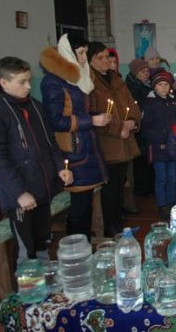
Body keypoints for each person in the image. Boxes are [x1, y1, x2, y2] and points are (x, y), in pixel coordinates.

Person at [0, 57, 73, 266]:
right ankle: (28, 295)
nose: (28, 86)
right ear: (3, 82)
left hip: (42, 188)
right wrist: (19, 192)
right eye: (22, 82)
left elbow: (50, 144)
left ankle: (45, 294)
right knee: (26, 253)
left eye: (29, 80)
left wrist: (59, 168)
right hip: (20, 196)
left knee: (43, 243)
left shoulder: (35, 106)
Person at [39, 34, 109, 240]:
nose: (83, 58)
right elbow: (55, 121)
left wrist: (96, 117)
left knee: (84, 206)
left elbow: (81, 111)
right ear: (67, 52)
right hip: (72, 151)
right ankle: (77, 250)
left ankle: (84, 247)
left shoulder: (79, 76)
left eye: (85, 53)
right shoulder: (53, 81)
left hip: (86, 146)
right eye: (80, 53)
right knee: (79, 209)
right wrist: (90, 121)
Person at [87, 41, 142, 237]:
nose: (106, 61)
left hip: (124, 142)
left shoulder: (116, 80)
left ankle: (118, 222)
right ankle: (111, 227)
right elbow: (94, 114)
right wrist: (119, 128)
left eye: (107, 56)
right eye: (99, 58)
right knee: (109, 189)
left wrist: (132, 122)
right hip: (108, 144)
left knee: (120, 185)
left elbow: (132, 105)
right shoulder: (89, 83)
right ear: (90, 61)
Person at [141, 71, 176, 220]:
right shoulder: (150, 103)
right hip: (158, 148)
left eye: (166, 85)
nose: (163, 88)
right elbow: (146, 128)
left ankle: (171, 203)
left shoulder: (174, 102)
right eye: (160, 85)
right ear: (154, 87)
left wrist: (175, 142)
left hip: (172, 148)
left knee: (172, 177)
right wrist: (161, 142)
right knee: (161, 178)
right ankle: (162, 205)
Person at [125, 58, 155, 197]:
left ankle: (148, 187)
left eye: (148, 71)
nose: (147, 74)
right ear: (136, 73)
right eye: (143, 71)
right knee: (141, 160)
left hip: (147, 127)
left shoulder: (146, 85)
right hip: (138, 128)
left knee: (147, 158)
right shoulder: (132, 88)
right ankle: (142, 190)